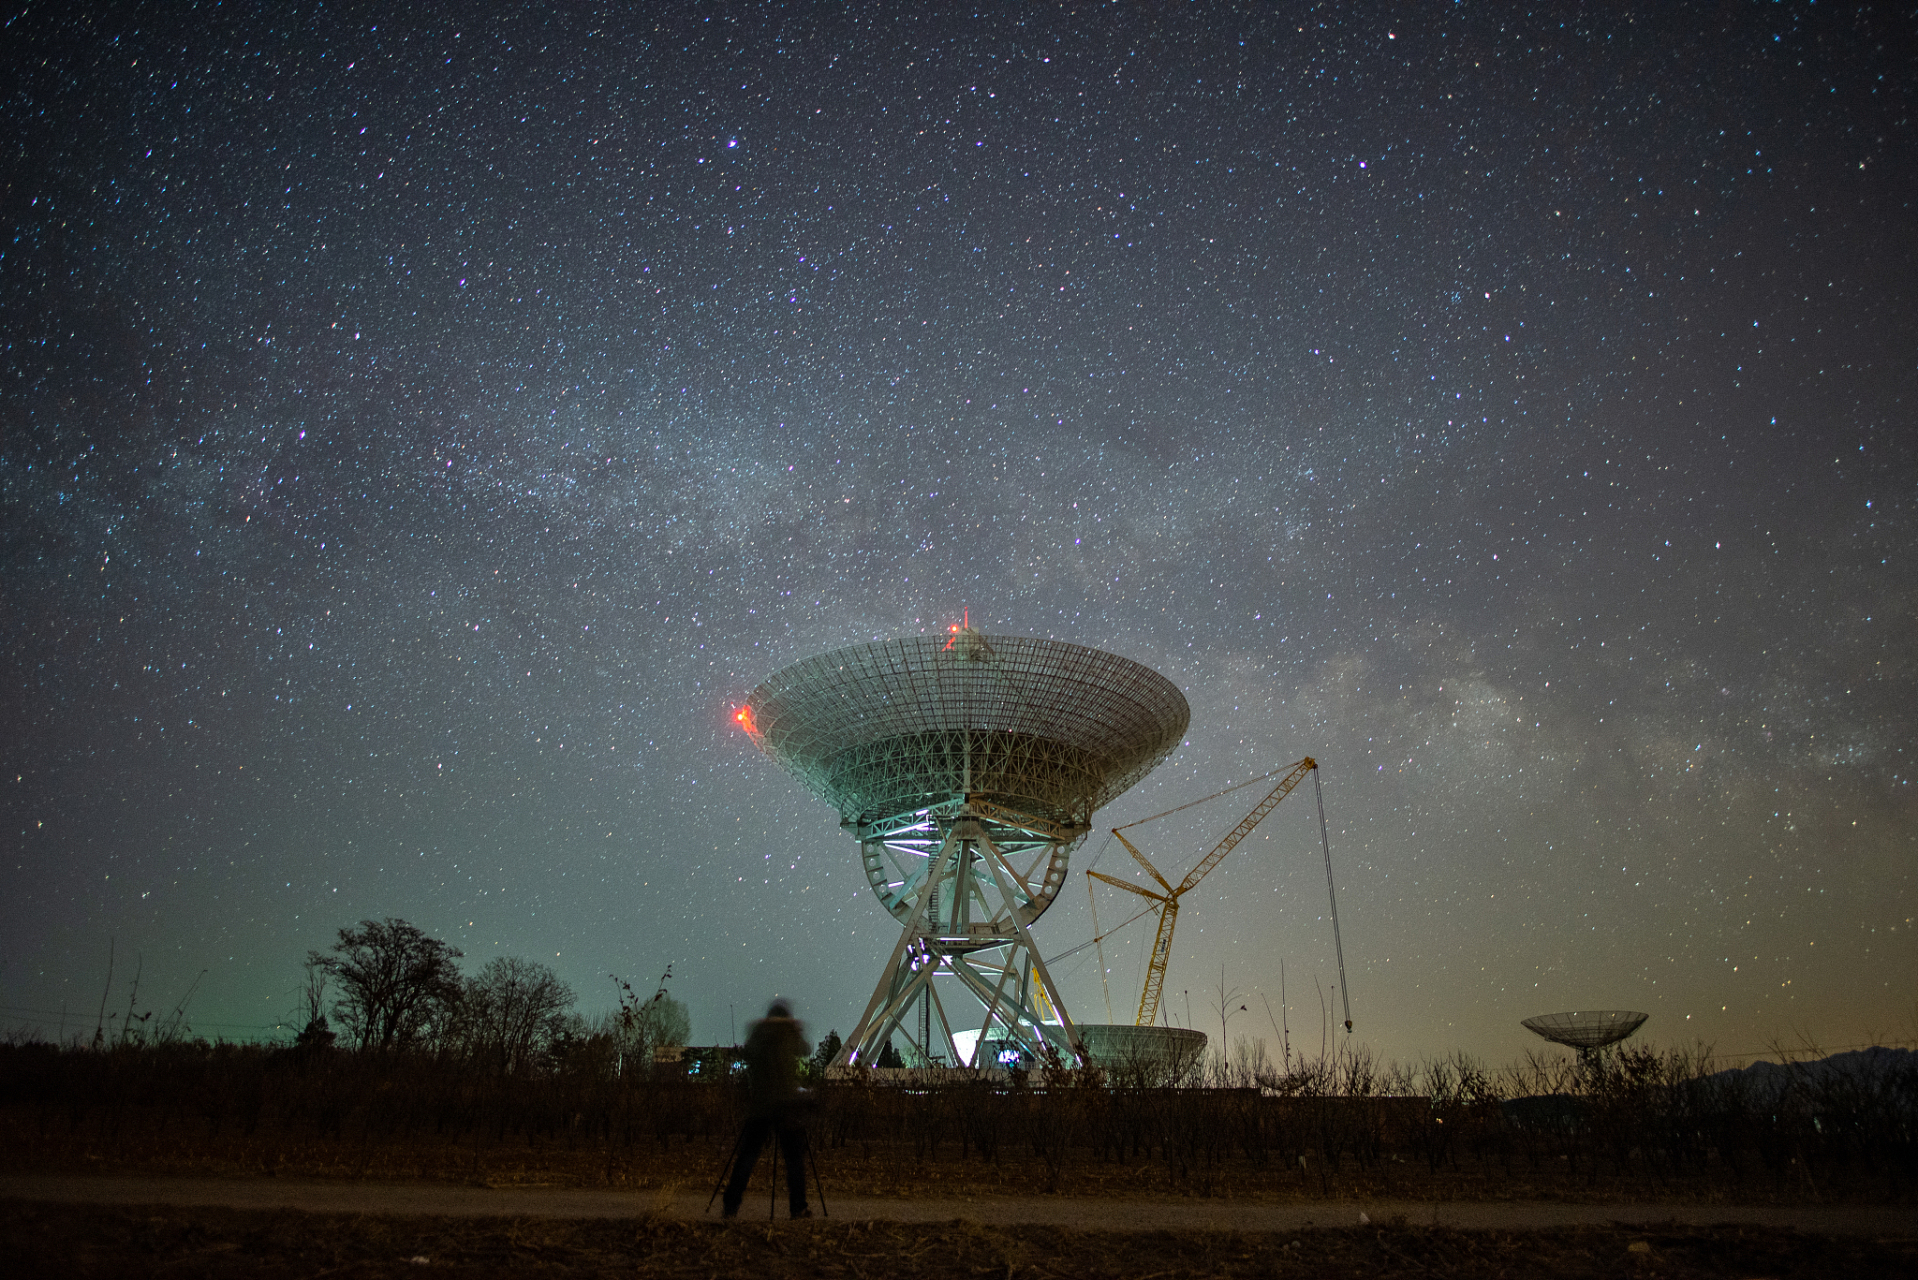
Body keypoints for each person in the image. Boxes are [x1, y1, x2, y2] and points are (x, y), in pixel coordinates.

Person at [722, 999, 813, 1219]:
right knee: (793, 1159)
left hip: (760, 1104)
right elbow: (806, 1050)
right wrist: (796, 1030)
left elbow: (746, 1054)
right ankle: (798, 1206)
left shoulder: (758, 1033)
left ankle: (731, 1205)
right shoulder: (790, 1033)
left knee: (748, 1156)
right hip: (787, 1105)